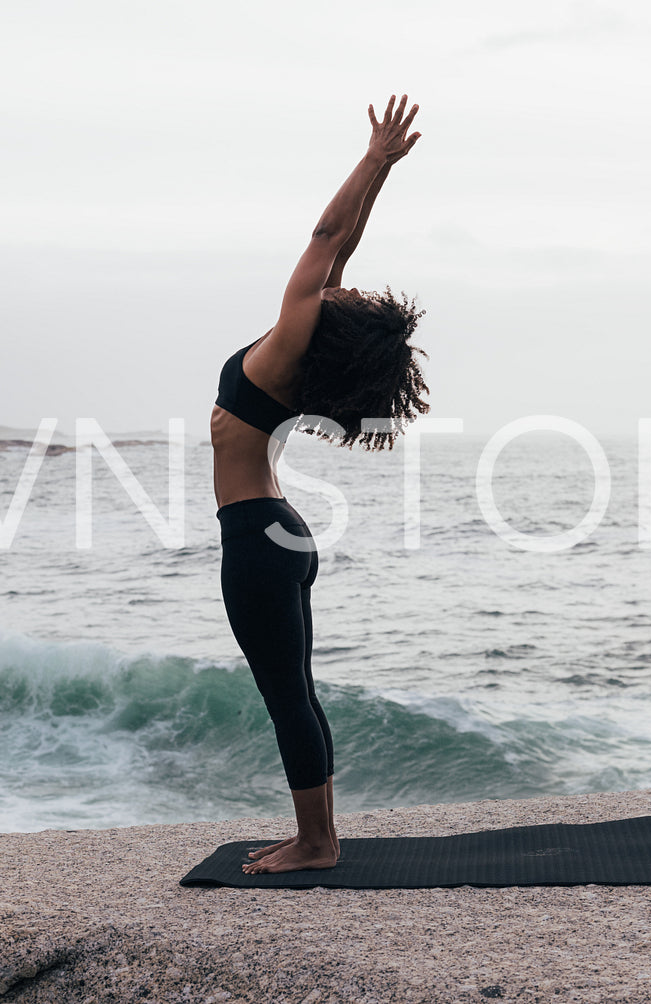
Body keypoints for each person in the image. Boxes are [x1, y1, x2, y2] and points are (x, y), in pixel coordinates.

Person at [212, 94, 429, 874]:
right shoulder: (299, 353)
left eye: (348, 295)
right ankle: (317, 833)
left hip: (257, 538)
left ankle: (316, 841)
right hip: (281, 532)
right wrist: (384, 175)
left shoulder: (286, 346)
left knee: (284, 696)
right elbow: (341, 250)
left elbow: (326, 237)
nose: (341, 284)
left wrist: (372, 158)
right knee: (296, 690)